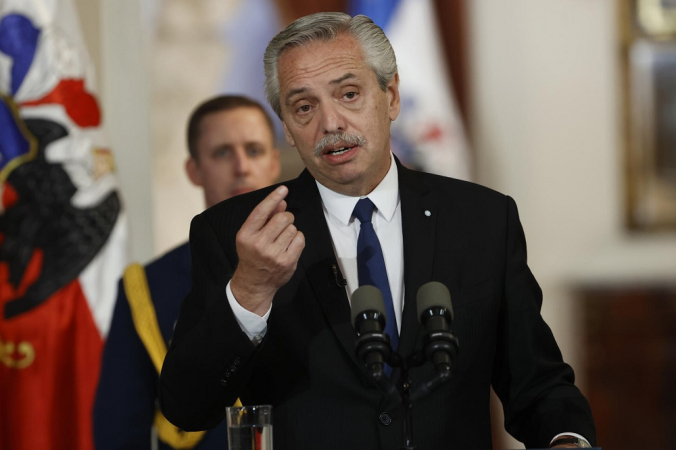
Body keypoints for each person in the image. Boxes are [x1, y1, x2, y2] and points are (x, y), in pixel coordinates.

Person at [159, 13, 596, 449]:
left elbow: (537, 383)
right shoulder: (236, 233)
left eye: (349, 94)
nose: (330, 124)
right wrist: (250, 292)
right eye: (304, 107)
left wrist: (566, 439)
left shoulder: (481, 219)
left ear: (391, 97)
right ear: (287, 129)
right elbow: (186, 407)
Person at [94, 95, 281, 450]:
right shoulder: (148, 288)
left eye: (254, 150)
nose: (241, 166)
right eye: (223, 153)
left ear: (274, 163)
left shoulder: (325, 259)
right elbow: (119, 429)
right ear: (193, 170)